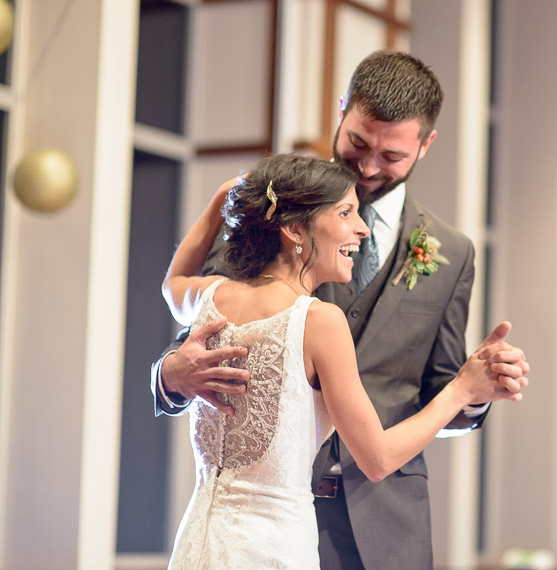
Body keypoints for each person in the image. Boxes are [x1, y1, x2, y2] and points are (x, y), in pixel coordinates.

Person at [151, 50, 530, 569]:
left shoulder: (452, 252)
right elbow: (199, 337)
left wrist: (475, 389)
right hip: (274, 526)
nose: (371, 166)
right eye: (358, 142)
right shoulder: (276, 205)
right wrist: (170, 374)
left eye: (392, 155)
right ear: (341, 110)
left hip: (384, 527)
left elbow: (180, 287)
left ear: (426, 144)